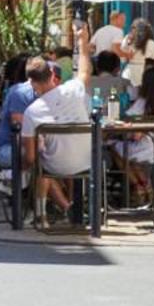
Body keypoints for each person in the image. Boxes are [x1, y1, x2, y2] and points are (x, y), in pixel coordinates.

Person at [19, 19, 94, 214]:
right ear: (53, 75)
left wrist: (21, 167)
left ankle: (42, 212)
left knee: (39, 162)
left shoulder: (32, 112)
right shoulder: (73, 89)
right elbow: (85, 70)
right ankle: (72, 206)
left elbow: (30, 157)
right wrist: (82, 41)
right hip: (88, 162)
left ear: (32, 83)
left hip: (56, 167)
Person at [114, 63, 154, 199]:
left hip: (144, 145)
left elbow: (129, 122)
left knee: (113, 148)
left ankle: (139, 185)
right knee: (132, 161)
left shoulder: (143, 102)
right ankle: (144, 186)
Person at [0, 56, 47, 172]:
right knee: (45, 159)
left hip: (31, 146)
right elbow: (20, 130)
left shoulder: (51, 93)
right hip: (8, 148)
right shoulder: (21, 94)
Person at [119, 18, 154, 86]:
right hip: (145, 75)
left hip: (129, 74)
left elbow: (122, 60)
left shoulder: (128, 40)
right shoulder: (151, 43)